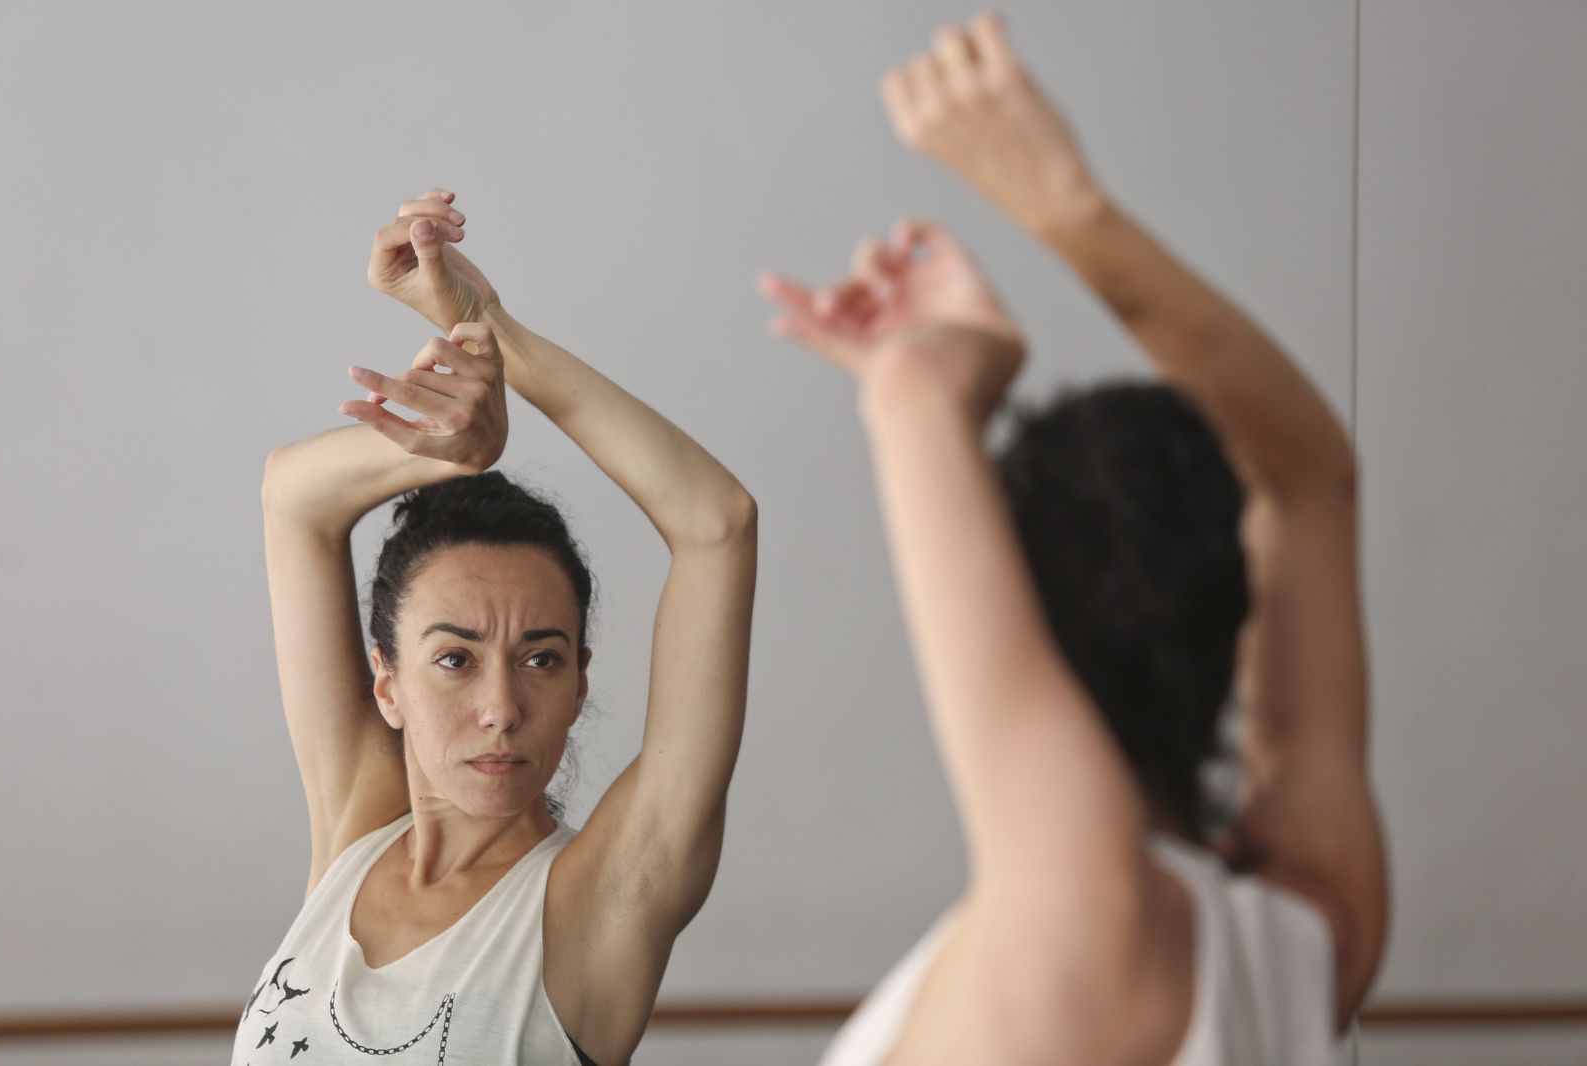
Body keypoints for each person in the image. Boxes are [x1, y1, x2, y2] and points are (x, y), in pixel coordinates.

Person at [759, 13, 1385, 1065]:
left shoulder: (1086, 914)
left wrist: (929, 374)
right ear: (1235, 611)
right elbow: (1307, 478)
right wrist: (1068, 211)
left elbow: (913, 392)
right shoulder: (1306, 930)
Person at [237, 190, 757, 1065]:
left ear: (580, 681)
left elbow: (719, 522)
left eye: (541, 658)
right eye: (453, 659)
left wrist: (492, 329)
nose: (501, 707)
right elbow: (291, 498)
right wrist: (446, 446)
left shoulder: (600, 900)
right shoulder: (355, 832)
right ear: (386, 684)